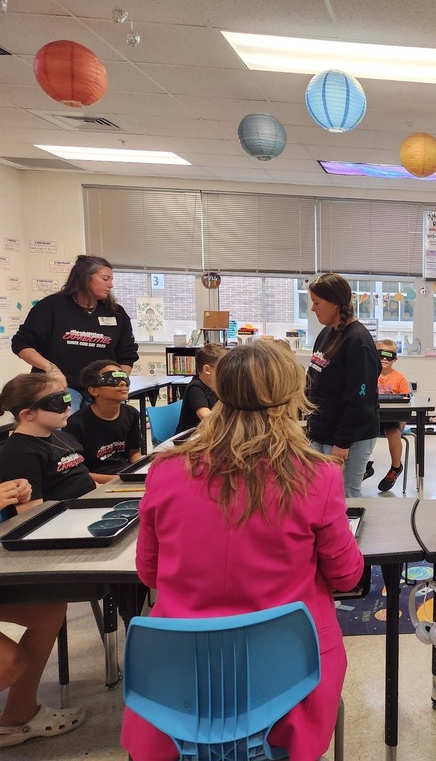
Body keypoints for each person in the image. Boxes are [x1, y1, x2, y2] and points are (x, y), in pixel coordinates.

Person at [121, 340, 366, 761]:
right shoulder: (318, 476)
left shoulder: (165, 471)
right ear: (292, 397)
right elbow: (347, 577)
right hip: (290, 677)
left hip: (182, 677)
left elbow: (149, 574)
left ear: (220, 392)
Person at [0, 380, 91, 749]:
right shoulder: (19, 451)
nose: (69, 406)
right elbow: (28, 520)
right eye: (60, 401)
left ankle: (18, 717)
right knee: (9, 661)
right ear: (28, 413)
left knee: (49, 606)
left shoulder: (59, 438)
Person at [12, 255, 138, 413]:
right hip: (62, 386)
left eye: (111, 280)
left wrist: (119, 380)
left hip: (100, 388)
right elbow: (22, 344)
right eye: (105, 279)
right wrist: (51, 369)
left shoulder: (116, 313)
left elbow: (127, 354)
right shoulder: (51, 307)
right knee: (66, 429)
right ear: (85, 278)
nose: (110, 285)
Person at [305, 273, 380, 499]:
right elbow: (314, 379)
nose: (312, 309)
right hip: (321, 431)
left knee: (345, 495)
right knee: (320, 493)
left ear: (335, 303)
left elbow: (361, 401)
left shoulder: (358, 341)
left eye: (317, 303)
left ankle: (349, 535)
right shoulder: (327, 332)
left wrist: (342, 443)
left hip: (348, 437)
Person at [0, 374, 95, 504]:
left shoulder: (63, 436)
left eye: (66, 399)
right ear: (28, 414)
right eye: (57, 403)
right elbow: (32, 513)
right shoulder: (21, 454)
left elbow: (83, 478)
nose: (68, 408)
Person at [64, 360, 142, 484]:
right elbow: (75, 471)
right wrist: (119, 480)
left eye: (124, 379)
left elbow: (135, 452)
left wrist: (140, 473)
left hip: (124, 475)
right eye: (112, 380)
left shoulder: (131, 413)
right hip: (94, 483)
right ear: (94, 391)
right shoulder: (76, 424)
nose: (122, 383)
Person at [370, 339, 411, 492]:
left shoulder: (399, 378)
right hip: (372, 417)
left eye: (389, 355)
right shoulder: (368, 374)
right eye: (381, 354)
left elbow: (407, 401)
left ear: (395, 358)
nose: (384, 358)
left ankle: (395, 467)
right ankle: (361, 467)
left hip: (393, 419)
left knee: (393, 431)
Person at [174, 343, 227, 435]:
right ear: (207, 370)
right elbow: (207, 418)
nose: (226, 373)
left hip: (207, 436)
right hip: (189, 440)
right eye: (222, 369)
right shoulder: (195, 388)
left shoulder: (218, 386)